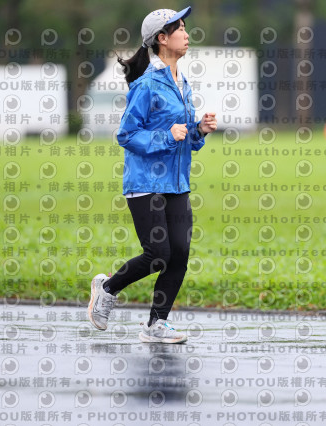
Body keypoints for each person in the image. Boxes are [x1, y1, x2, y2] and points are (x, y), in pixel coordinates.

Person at [87, 6, 217, 344]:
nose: (186, 34)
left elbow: (185, 138)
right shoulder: (146, 85)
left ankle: (156, 324)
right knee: (158, 254)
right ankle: (107, 288)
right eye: (180, 29)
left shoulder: (181, 83)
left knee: (179, 255)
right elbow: (126, 135)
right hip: (145, 183)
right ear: (162, 38)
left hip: (177, 183)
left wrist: (198, 130)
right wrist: (165, 135)